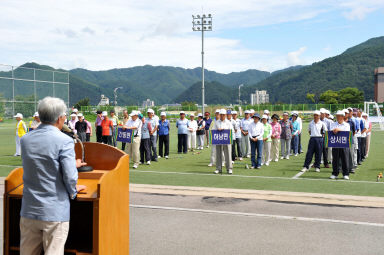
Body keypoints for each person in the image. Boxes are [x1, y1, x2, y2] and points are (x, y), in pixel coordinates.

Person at [19, 96, 86, 255]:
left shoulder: (26, 139)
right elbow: (70, 177)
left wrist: (70, 164)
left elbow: (41, 163)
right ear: (60, 118)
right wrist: (73, 190)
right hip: (54, 210)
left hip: (29, 208)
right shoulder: (64, 141)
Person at [330, 111, 351, 180]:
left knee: (345, 159)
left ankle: (345, 174)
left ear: (342, 116)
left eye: (339, 116)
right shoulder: (333, 124)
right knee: (335, 159)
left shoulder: (347, 124)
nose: (337, 117)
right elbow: (331, 131)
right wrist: (335, 130)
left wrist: (338, 130)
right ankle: (335, 173)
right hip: (335, 144)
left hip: (344, 145)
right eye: (337, 116)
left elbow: (347, 132)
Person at [213, 109, 234, 174]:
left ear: (225, 115)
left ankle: (229, 169)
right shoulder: (216, 122)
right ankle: (218, 168)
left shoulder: (228, 122)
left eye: (223, 115)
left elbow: (231, 131)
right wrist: (218, 130)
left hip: (227, 140)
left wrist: (224, 129)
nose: (222, 116)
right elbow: (213, 130)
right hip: (218, 140)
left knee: (228, 154)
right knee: (218, 154)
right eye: (221, 115)